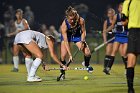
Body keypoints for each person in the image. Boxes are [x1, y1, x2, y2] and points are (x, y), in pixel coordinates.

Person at [60, 6, 93, 79]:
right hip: (67, 37)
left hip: (77, 35)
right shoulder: (64, 25)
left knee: (87, 53)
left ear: (75, 17)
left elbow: (83, 31)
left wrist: (82, 40)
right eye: (70, 19)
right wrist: (70, 55)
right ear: (67, 17)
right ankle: (62, 73)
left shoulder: (81, 20)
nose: (71, 21)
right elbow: (65, 41)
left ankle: (86, 64)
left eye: (73, 19)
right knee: (63, 55)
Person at [103, 3, 128, 75]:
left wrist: (120, 22)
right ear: (118, 9)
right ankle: (108, 68)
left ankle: (127, 68)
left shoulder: (127, 16)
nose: (122, 9)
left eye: (123, 8)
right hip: (118, 36)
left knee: (124, 53)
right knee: (113, 51)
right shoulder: (116, 16)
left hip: (126, 36)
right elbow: (112, 25)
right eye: (120, 8)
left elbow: (124, 23)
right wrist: (107, 30)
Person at [122, 0, 140, 93]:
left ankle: (130, 89)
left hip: (134, 33)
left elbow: (124, 21)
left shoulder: (128, 2)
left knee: (131, 62)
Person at [102, 8, 115, 73]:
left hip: (117, 38)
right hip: (110, 38)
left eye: (111, 13)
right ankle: (105, 67)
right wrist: (105, 40)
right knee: (108, 52)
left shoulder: (117, 20)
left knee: (123, 53)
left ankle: (127, 68)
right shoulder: (106, 21)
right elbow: (104, 32)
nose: (110, 15)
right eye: (109, 13)